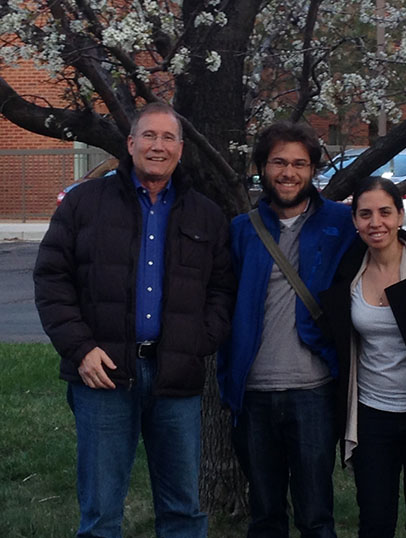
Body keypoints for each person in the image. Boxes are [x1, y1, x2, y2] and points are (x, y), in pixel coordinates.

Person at [33, 102, 235, 538]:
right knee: (102, 513)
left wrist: (200, 342)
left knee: (183, 509)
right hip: (102, 377)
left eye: (167, 138)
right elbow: (52, 280)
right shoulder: (84, 203)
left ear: (180, 149)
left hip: (176, 377)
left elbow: (222, 290)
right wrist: (81, 349)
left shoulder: (206, 215)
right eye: (148, 136)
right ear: (130, 144)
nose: (157, 146)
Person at [217, 121, 356, 537]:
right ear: (261, 167)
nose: (289, 172)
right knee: (265, 516)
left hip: (313, 392)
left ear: (313, 170)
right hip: (253, 394)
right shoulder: (242, 231)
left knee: (316, 515)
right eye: (278, 162)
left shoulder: (342, 224)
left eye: (300, 164)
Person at [320, 177, 406, 538]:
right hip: (372, 415)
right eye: (365, 214)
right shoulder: (347, 272)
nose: (375, 222)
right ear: (355, 221)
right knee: (375, 521)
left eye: (384, 212)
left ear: (400, 215)